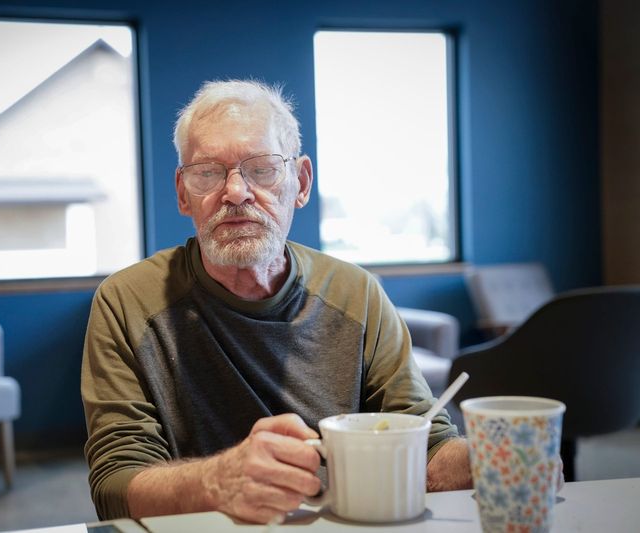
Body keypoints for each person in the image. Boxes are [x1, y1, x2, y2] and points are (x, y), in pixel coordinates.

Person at [81, 79, 472, 525]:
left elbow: (427, 446)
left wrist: (487, 460)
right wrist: (216, 482)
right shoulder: (126, 302)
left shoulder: (357, 295)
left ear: (300, 182)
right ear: (182, 192)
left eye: (262, 168)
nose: (235, 192)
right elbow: (115, 485)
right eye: (207, 171)